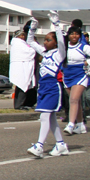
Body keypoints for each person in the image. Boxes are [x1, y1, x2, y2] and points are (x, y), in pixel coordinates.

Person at [26, 12, 69, 158]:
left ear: (55, 42)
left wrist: (57, 24)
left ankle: (39, 145)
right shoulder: (45, 54)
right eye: (44, 40)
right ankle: (61, 144)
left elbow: (63, 42)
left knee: (45, 117)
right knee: (51, 119)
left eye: (48, 40)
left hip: (53, 88)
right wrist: (32, 29)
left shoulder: (59, 54)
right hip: (43, 88)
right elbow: (31, 42)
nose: (45, 42)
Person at [62, 25, 90, 135]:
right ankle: (80, 125)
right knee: (77, 102)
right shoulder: (64, 47)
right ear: (68, 35)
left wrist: (88, 62)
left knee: (74, 100)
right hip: (67, 75)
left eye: (76, 34)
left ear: (79, 35)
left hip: (80, 75)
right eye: (72, 34)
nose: (74, 36)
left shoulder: (83, 47)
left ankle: (71, 124)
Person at [9, 24, 38, 110]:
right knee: (22, 85)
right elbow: (29, 52)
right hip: (21, 67)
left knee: (22, 86)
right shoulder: (18, 43)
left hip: (22, 66)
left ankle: (21, 104)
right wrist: (34, 47)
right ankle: (19, 105)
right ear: (21, 36)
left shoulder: (18, 43)